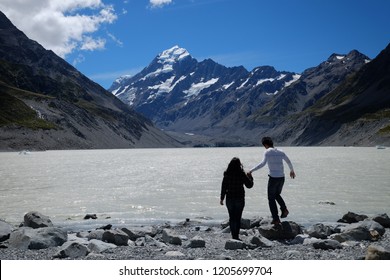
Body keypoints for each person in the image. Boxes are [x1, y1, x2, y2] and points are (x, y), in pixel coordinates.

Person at [248, 137, 296, 227]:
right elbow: (288, 161)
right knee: (276, 195)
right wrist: (292, 170)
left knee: (271, 198)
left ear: (265, 145)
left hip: (273, 178)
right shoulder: (280, 151)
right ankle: (284, 209)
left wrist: (251, 170)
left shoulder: (267, 152)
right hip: (282, 177)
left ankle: (276, 219)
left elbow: (262, 164)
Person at [220, 157, 254, 240]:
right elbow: (249, 186)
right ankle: (236, 236)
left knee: (232, 217)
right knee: (238, 217)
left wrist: (222, 198)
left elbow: (224, 186)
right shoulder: (241, 173)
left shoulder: (227, 174)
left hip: (229, 198)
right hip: (239, 198)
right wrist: (251, 177)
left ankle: (233, 236)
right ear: (239, 165)